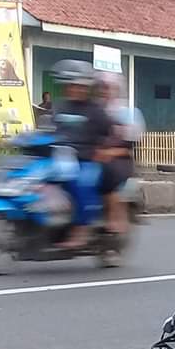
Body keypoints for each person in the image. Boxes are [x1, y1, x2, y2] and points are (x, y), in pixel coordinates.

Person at [50, 60, 114, 249]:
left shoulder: (96, 111)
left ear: (86, 87)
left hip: (87, 161)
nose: (73, 89)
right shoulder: (61, 107)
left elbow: (109, 133)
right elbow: (49, 130)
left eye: (78, 85)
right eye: (70, 85)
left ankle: (82, 229)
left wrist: (102, 150)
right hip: (60, 158)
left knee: (81, 184)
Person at [95, 72, 144, 238]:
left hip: (120, 160)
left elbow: (130, 147)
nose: (105, 91)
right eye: (102, 87)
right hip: (95, 156)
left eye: (108, 88)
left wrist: (110, 152)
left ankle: (115, 218)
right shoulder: (95, 110)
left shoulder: (128, 114)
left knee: (109, 173)